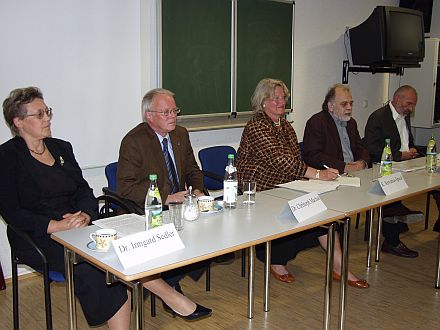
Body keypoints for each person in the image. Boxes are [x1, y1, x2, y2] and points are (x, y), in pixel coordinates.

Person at [0, 87, 211, 329]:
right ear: (18, 122)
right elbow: (11, 212)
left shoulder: (61, 148)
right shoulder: (7, 157)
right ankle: (172, 298)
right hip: (38, 235)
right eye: (39, 114)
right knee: (100, 270)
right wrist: (57, 225)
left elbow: (84, 191)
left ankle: (170, 297)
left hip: (80, 225)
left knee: (126, 249)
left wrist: (86, 214)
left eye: (47, 112)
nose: (47, 118)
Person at [237, 78, 369, 289]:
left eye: (284, 98)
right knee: (302, 211)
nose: (282, 102)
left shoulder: (285, 126)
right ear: (263, 102)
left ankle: (339, 266)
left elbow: (295, 160)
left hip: (287, 183)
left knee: (322, 213)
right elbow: (279, 159)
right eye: (276, 98)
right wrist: (317, 175)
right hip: (260, 188)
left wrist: (311, 177)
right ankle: (277, 261)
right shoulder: (256, 126)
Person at [116, 88, 212, 290]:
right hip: (151, 209)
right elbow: (125, 188)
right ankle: (168, 286)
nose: (173, 116)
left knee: (212, 237)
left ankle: (168, 281)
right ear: (149, 116)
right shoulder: (134, 141)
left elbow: (193, 170)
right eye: (166, 112)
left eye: (175, 111)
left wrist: (197, 192)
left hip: (182, 205)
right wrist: (166, 198)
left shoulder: (181, 135)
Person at [363, 85, 424, 258]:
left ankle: (402, 215)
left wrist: (411, 150)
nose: (410, 108)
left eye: (413, 105)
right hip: (386, 167)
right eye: (409, 104)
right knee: (391, 191)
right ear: (397, 98)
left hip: (406, 164)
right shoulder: (379, 118)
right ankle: (393, 239)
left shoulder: (404, 116)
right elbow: (372, 148)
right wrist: (401, 155)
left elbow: (406, 141)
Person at [303, 84, 369, 174]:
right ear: (331, 106)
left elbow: (360, 148)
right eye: (344, 104)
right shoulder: (317, 122)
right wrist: (344, 167)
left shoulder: (351, 123)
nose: (349, 107)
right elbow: (313, 156)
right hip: (331, 175)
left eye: (351, 103)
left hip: (354, 173)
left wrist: (362, 162)